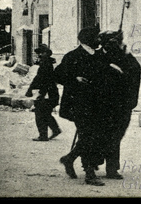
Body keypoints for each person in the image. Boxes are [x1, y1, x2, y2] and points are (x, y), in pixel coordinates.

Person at [54, 26, 108, 186]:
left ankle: (69, 159)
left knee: (90, 136)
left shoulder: (98, 56)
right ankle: (90, 173)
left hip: (95, 104)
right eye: (97, 37)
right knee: (88, 137)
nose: (99, 40)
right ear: (88, 39)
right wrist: (74, 79)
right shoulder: (72, 56)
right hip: (78, 104)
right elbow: (57, 75)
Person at [97, 30, 141, 180]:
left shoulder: (126, 58)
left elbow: (135, 73)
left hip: (122, 104)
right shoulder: (98, 57)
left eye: (115, 42)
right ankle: (110, 167)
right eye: (110, 42)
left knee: (115, 135)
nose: (113, 45)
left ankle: (76, 158)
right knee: (103, 135)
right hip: (102, 104)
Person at [25, 43, 62, 141]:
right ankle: (55, 130)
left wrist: (39, 93)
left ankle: (43, 135)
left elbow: (42, 80)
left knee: (40, 113)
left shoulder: (45, 64)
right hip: (50, 92)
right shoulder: (48, 63)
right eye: (38, 53)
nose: (39, 55)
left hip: (46, 92)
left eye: (41, 53)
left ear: (46, 53)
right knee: (46, 113)